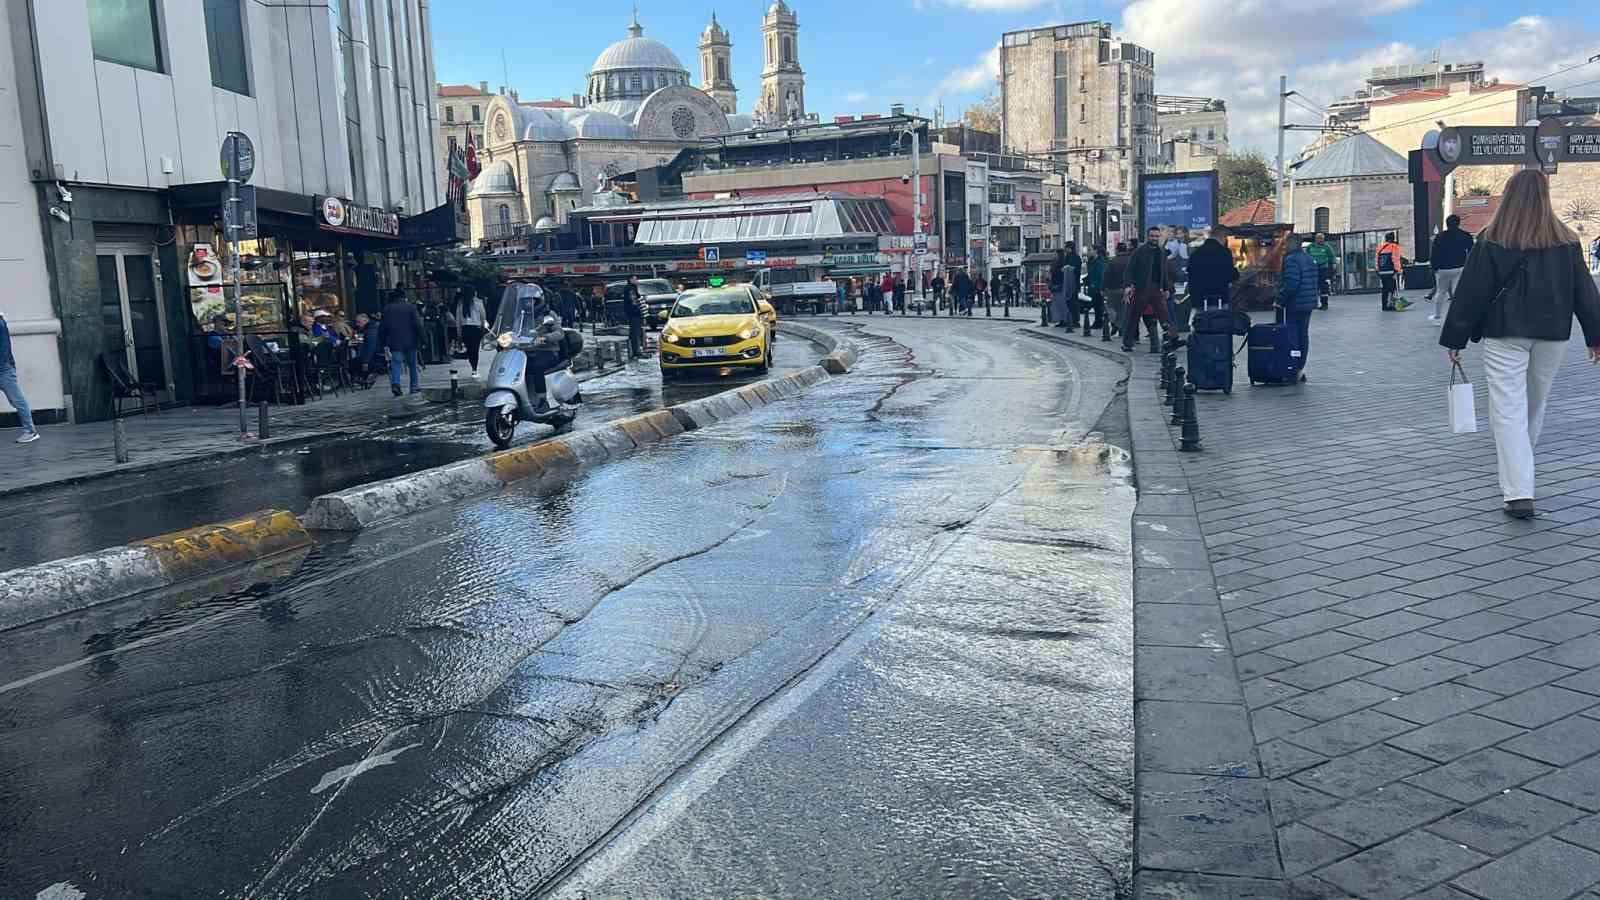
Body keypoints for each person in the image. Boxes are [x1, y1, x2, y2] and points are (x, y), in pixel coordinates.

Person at [1441, 169, 1600, 519]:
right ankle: (1520, 477)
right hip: (1552, 333)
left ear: (1509, 196)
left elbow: (1472, 292)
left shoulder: (1492, 238)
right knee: (1534, 405)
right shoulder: (1566, 241)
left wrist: (1456, 339)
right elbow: (1584, 291)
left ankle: (1518, 491)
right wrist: (1595, 336)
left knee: (1508, 409)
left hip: (1505, 334)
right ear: (1545, 198)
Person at [1277, 234, 1321, 382]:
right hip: (1308, 303)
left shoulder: (1291, 260)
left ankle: (1292, 367)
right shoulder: (1309, 258)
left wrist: (1280, 300)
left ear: (1291, 244)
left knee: (1292, 337)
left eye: (1285, 244)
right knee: (1303, 335)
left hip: (1294, 304)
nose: (1284, 247)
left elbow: (1291, 284)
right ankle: (1300, 368)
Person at [1125, 227, 1172, 353]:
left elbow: (1163, 272)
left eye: (1157, 236)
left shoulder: (1161, 252)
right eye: (1152, 236)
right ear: (1147, 237)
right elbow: (1130, 269)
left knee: (1164, 314)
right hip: (1142, 288)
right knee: (1134, 316)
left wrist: (1167, 288)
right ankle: (1127, 342)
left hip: (1157, 288)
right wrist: (1129, 285)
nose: (1154, 238)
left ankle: (1172, 339)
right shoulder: (1139, 252)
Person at [0, 311, 39, 443]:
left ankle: (31, 431)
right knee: (16, 400)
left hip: (3, 370)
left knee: (17, 400)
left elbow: (3, 350)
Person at [1430, 215, 1475, 327]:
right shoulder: (1465, 235)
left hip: (1443, 269)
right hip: (1459, 267)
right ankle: (1458, 317)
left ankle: (1437, 317)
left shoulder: (1440, 237)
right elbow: (1472, 251)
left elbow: (1434, 254)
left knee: (1441, 292)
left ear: (1447, 224)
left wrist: (1434, 268)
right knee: (1457, 292)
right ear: (1459, 223)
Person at [378, 289, 425, 397]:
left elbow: (382, 327)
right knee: (412, 364)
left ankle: (396, 383)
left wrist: (383, 342)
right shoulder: (410, 308)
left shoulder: (387, 309)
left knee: (396, 363)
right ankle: (414, 387)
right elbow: (418, 325)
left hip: (394, 341)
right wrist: (423, 339)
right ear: (404, 297)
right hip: (411, 341)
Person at [1187, 226, 1239, 309]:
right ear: (1223, 237)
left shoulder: (1196, 253)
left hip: (1199, 298)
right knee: (1220, 320)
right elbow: (1230, 274)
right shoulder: (1223, 252)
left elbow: (1190, 274)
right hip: (1219, 298)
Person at [454, 286, 488, 378]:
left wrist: (459, 333)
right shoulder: (478, 302)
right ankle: (474, 369)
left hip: (465, 329)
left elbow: (458, 320)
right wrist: (484, 327)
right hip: (476, 329)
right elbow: (483, 316)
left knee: (469, 350)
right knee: (475, 350)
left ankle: (473, 366)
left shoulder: (461, 303)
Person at [1103, 241, 1133, 340]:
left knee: (1110, 308)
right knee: (1124, 310)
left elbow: (1106, 276)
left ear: (1117, 250)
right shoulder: (1131, 260)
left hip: (1114, 289)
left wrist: (1103, 288)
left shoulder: (1113, 261)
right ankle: (1121, 329)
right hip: (1128, 289)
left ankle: (1115, 324)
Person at [1375, 232, 1405, 311]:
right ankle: (1390, 304)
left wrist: (1377, 270)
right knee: (1392, 288)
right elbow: (1395, 259)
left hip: (1382, 272)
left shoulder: (1380, 247)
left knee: (1385, 288)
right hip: (1391, 271)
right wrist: (1398, 270)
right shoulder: (1394, 247)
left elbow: (1377, 260)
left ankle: (1384, 305)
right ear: (1393, 238)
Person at [1084, 245, 1109, 339]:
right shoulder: (1091, 261)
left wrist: (1098, 286)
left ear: (1096, 251)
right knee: (1096, 305)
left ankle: (1100, 322)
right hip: (1092, 287)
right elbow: (1090, 274)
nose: (1088, 252)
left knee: (1098, 305)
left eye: (1090, 250)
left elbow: (1101, 275)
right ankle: (1098, 321)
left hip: (1097, 288)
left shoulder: (1100, 262)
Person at [624, 274, 646, 360]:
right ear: (630, 280)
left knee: (636, 332)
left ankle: (635, 351)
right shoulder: (630, 289)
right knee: (635, 333)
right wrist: (638, 311)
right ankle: (636, 352)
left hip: (633, 313)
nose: (637, 281)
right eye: (635, 279)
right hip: (634, 314)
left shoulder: (631, 288)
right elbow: (633, 301)